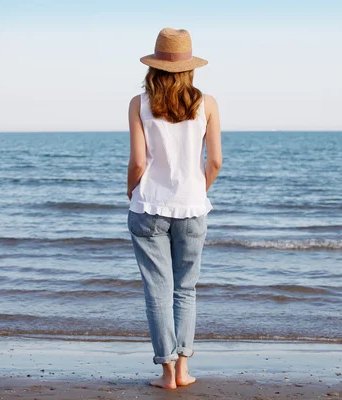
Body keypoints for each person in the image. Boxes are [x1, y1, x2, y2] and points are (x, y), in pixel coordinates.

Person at [125, 27, 222, 389]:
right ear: (189, 67)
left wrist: (130, 191)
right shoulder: (207, 103)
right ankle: (183, 371)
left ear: (155, 66)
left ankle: (166, 374)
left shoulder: (139, 103)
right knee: (186, 290)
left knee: (158, 291)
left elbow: (137, 162)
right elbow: (215, 162)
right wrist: (198, 191)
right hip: (193, 209)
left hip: (148, 206)